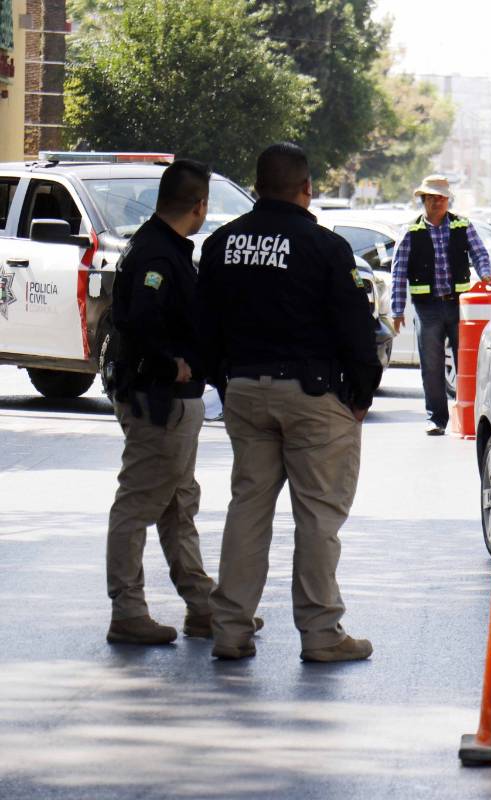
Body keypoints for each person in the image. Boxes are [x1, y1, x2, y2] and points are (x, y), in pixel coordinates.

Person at [198, 143, 382, 662]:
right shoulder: (323, 246)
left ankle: (230, 629)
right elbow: (354, 327)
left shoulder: (222, 243)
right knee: (318, 517)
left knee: (248, 510)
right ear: (307, 189)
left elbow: (203, 324)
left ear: (257, 187)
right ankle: (322, 634)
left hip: (245, 392)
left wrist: (225, 379)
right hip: (312, 396)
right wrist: (361, 394)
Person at [105, 159, 215, 645]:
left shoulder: (160, 247)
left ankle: (203, 606)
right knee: (139, 505)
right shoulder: (157, 255)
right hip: (159, 400)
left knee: (177, 504)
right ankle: (127, 612)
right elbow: (143, 321)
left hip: (168, 401)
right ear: (199, 205)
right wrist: (171, 365)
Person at [390, 175, 491, 435]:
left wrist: (485, 274)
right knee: (432, 365)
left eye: (441, 198)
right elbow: (398, 271)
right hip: (427, 309)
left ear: (448, 200)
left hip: (458, 307)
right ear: (424, 201)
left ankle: (470, 414)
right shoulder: (411, 231)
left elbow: (480, 253)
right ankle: (437, 418)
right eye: (432, 198)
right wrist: (396, 309)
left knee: (467, 363)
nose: (437, 202)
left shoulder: (462, 225)